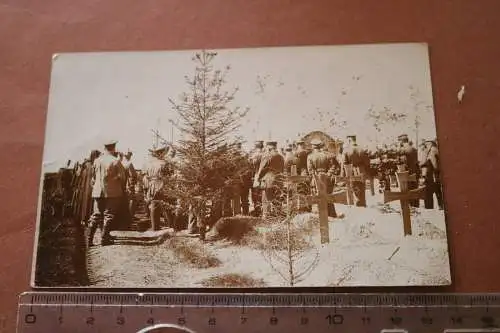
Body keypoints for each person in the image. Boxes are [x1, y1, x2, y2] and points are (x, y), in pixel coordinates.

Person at [87, 140, 125, 246]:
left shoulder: (97, 160)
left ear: (105, 148)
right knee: (109, 215)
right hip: (112, 192)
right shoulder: (115, 161)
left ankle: (89, 240)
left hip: (98, 192)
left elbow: (93, 177)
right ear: (114, 148)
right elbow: (122, 177)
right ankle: (104, 238)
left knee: (96, 215)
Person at [307, 138, 341, 217]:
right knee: (328, 195)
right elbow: (333, 166)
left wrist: (315, 177)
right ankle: (332, 214)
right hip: (327, 178)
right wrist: (328, 174)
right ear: (320, 146)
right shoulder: (327, 155)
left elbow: (310, 170)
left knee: (320, 197)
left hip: (317, 178)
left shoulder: (310, 156)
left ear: (313, 147)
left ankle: (323, 215)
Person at [255, 141, 284, 218]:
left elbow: (262, 169)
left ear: (269, 147)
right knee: (277, 199)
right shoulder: (281, 156)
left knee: (266, 199)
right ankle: (278, 215)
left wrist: (258, 178)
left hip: (268, 181)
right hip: (279, 180)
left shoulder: (267, 156)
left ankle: (266, 216)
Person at [144, 146, 170, 231]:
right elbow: (167, 176)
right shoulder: (163, 163)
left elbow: (146, 176)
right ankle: (162, 225)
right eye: (163, 153)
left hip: (151, 184)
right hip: (161, 184)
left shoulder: (149, 163)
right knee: (163, 204)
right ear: (160, 153)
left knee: (153, 205)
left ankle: (155, 226)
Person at [342, 135, 368, 207]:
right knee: (362, 186)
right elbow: (367, 162)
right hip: (362, 169)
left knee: (354, 186)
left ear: (349, 140)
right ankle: (363, 202)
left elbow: (344, 163)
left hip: (351, 170)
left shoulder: (346, 150)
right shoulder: (362, 148)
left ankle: (357, 202)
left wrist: (343, 174)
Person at [398, 134, 420, 207]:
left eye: (399, 141)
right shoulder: (413, 149)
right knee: (415, 188)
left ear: (402, 141)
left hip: (407, 172)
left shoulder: (403, 150)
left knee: (408, 188)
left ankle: (411, 205)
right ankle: (416, 205)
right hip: (415, 171)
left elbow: (402, 161)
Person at [249, 140, 265, 216]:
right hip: (264, 177)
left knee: (255, 194)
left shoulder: (254, 155)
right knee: (263, 194)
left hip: (256, 176)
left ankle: (257, 210)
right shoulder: (265, 154)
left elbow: (251, 167)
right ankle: (262, 210)